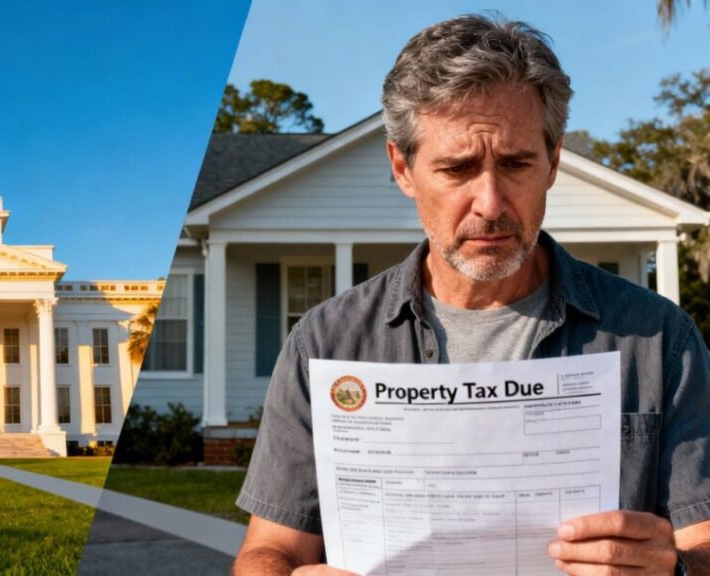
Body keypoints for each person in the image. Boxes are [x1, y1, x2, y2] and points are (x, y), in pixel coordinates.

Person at [233, 14, 710, 576]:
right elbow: (272, 550)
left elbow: (701, 540)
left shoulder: (659, 340)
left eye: (515, 164)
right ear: (402, 168)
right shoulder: (326, 341)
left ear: (553, 160)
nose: (490, 202)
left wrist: (674, 569)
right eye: (457, 169)